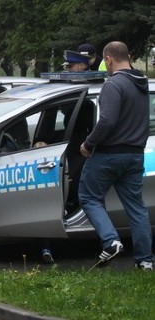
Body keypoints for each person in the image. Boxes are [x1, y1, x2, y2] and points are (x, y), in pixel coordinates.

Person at [78, 41, 153, 270]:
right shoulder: (142, 85)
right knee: (136, 207)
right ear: (128, 56)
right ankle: (145, 261)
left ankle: (111, 241)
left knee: (89, 197)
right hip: (135, 154)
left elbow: (108, 120)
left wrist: (89, 144)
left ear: (109, 59)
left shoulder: (114, 85)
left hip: (110, 154)